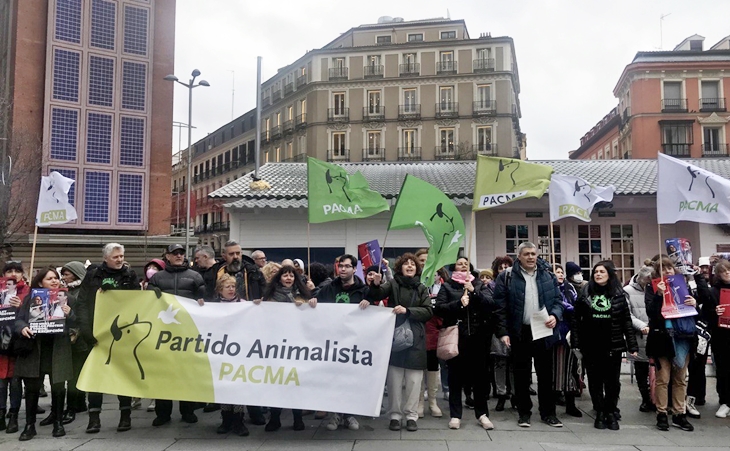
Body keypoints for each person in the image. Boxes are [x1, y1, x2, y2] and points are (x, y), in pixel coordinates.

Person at [493, 242, 564, 428]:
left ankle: (548, 413)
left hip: (543, 329)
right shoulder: (507, 276)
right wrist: (503, 332)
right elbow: (499, 307)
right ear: (519, 257)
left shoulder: (548, 276)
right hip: (520, 330)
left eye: (533, 254)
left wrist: (555, 315)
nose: (531, 257)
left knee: (546, 374)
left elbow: (558, 300)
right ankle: (524, 413)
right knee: (521, 375)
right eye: (527, 254)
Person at [76, 243, 140, 433]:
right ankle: (94, 418)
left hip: (122, 333)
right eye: (115, 257)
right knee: (96, 377)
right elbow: (82, 304)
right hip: (97, 334)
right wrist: (87, 332)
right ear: (105, 258)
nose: (120, 259)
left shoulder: (130, 275)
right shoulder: (93, 275)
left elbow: (138, 302)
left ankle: (125, 416)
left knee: (123, 375)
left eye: (121, 256)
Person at [367, 253, 432, 432]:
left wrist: (408, 310)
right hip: (394, 337)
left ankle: (411, 416)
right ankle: (394, 416)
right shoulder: (393, 284)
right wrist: (376, 283)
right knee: (394, 381)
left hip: (416, 339)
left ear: (417, 269)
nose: (410, 266)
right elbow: (376, 294)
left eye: (413, 264)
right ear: (400, 267)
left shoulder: (422, 288)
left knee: (413, 381)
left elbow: (428, 311)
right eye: (406, 264)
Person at [572, 261, 638, 430]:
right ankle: (600, 411)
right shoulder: (585, 293)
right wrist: (576, 342)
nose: (598, 274)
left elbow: (626, 321)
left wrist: (632, 345)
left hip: (613, 345)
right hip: (591, 345)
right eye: (596, 272)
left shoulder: (618, 294)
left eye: (602, 271)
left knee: (612, 382)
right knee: (595, 381)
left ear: (609, 275)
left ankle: (610, 411)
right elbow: (576, 321)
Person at [148, 244, 206, 426]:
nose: (179, 256)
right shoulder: (157, 278)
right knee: (162, 373)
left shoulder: (195, 276)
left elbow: (205, 301)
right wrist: (151, 294)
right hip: (163, 334)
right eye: (175, 253)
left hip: (186, 333)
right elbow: (147, 303)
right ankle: (162, 413)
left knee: (186, 373)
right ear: (167, 256)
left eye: (181, 253)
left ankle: (187, 411)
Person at [310, 254, 368, 431]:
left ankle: (349, 413)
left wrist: (369, 303)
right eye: (340, 266)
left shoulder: (363, 290)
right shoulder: (330, 288)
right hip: (333, 341)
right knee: (334, 378)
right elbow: (316, 301)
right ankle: (335, 413)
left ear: (354, 269)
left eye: (347, 266)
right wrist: (312, 300)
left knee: (350, 379)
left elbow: (373, 309)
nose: (342, 269)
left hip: (354, 342)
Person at [435, 257, 494, 430]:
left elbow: (490, 304)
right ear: (455, 268)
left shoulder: (479, 285)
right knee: (455, 377)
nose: (463, 265)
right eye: (460, 263)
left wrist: (473, 293)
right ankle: (455, 414)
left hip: (477, 338)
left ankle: (482, 413)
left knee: (480, 378)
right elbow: (439, 308)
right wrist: (458, 304)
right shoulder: (447, 286)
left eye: (466, 264)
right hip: (456, 337)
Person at [15, 267, 73, 441]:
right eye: (50, 279)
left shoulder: (67, 298)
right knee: (32, 388)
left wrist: (70, 314)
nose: (55, 281)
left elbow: (77, 321)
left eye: (56, 278)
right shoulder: (30, 299)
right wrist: (22, 328)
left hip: (57, 349)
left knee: (57, 388)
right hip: (35, 349)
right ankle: (30, 425)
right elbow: (18, 319)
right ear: (40, 282)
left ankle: (58, 423)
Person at [254, 265, 314, 432]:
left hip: (297, 346)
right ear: (279, 278)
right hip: (277, 346)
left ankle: (297, 418)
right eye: (285, 275)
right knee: (277, 383)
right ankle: (275, 418)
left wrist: (311, 302)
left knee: (295, 382)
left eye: (291, 276)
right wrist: (258, 305)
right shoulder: (270, 297)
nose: (288, 278)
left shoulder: (302, 296)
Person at [645, 258, 697, 432]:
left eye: (670, 268)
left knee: (681, 378)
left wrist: (694, 304)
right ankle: (661, 413)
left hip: (683, 336)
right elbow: (651, 313)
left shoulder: (683, 286)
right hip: (663, 338)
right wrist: (659, 296)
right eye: (664, 269)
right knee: (663, 378)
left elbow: (697, 313)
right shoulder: (651, 287)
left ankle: (679, 413)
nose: (668, 271)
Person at [211, 274, 249, 436]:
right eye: (228, 287)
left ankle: (239, 420)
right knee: (224, 385)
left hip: (239, 351)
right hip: (221, 351)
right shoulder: (213, 306)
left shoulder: (243, 305)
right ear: (220, 290)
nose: (232, 289)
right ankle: (226, 419)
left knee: (238, 385)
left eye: (233, 286)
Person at [58, 261, 88, 425]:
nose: (64, 277)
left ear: (76, 274)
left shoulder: (83, 292)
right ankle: (79, 404)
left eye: (67, 274)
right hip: (65, 339)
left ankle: (72, 407)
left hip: (79, 339)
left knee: (74, 375)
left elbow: (85, 316)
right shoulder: (63, 292)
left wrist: (71, 313)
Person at [551, 264, 582, 418]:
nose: (560, 274)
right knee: (556, 370)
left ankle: (570, 403)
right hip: (555, 334)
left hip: (569, 333)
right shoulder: (550, 289)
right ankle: (554, 400)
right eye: (557, 272)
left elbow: (577, 304)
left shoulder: (570, 288)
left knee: (571, 369)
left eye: (562, 272)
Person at [624, 265, 656, 412]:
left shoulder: (657, 288)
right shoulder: (628, 291)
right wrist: (641, 325)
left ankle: (657, 398)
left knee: (657, 369)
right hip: (639, 334)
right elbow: (627, 314)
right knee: (641, 370)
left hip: (656, 333)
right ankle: (645, 399)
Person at [0, 261, 26, 434]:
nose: (13, 274)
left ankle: (14, 416)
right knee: (1, 382)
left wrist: (21, 307)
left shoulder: (28, 292)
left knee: (16, 382)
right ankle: (1, 414)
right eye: (10, 270)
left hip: (18, 345)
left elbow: (35, 315)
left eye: (17, 271)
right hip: (1, 343)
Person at [703, 259, 730, 419]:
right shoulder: (714, 291)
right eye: (723, 270)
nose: (727, 272)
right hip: (722, 336)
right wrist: (715, 311)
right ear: (718, 274)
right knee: (723, 369)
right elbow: (705, 313)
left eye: (728, 269)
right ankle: (725, 401)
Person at [489, 256, 514, 412]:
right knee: (500, 363)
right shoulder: (491, 285)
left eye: (507, 267)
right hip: (498, 328)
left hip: (514, 328)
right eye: (501, 267)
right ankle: (501, 394)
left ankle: (515, 395)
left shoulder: (517, 283)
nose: (504, 270)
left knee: (514, 364)